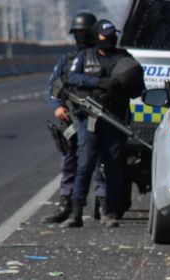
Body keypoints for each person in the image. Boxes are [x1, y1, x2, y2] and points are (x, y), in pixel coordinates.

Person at [61, 19, 144, 228]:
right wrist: (98, 83)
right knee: (85, 164)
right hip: (89, 118)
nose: (109, 40)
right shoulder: (84, 57)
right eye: (105, 37)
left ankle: (109, 212)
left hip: (115, 119)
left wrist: (119, 85)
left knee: (113, 167)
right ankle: (76, 211)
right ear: (97, 37)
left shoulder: (125, 59)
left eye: (112, 36)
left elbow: (137, 87)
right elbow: (73, 78)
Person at [43, 11, 107, 224]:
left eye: (84, 32)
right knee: (70, 161)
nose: (81, 37)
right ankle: (66, 203)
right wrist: (58, 107)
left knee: (99, 163)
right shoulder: (67, 59)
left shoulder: (100, 57)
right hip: (73, 118)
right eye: (77, 33)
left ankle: (103, 203)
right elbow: (54, 87)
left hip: (98, 118)